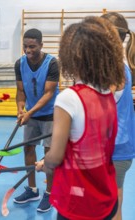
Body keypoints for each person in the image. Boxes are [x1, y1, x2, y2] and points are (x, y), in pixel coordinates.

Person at [36, 16, 125, 219]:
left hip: (79, 202)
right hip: (106, 196)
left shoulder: (69, 98)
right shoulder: (109, 92)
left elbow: (55, 156)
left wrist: (45, 163)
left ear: (72, 57)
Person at [13, 28, 59, 212]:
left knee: (49, 155)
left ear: (41, 45)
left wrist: (29, 112)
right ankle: (32, 190)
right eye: (25, 46)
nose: (28, 50)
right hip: (30, 114)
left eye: (32, 46)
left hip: (50, 114)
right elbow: (21, 91)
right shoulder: (20, 63)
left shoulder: (52, 63)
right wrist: (19, 109)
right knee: (28, 149)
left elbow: (49, 93)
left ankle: (49, 193)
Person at [101, 12, 135, 220]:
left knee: (110, 208)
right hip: (118, 147)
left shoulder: (112, 68)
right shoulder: (118, 65)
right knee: (113, 205)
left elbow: (94, 109)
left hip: (113, 149)